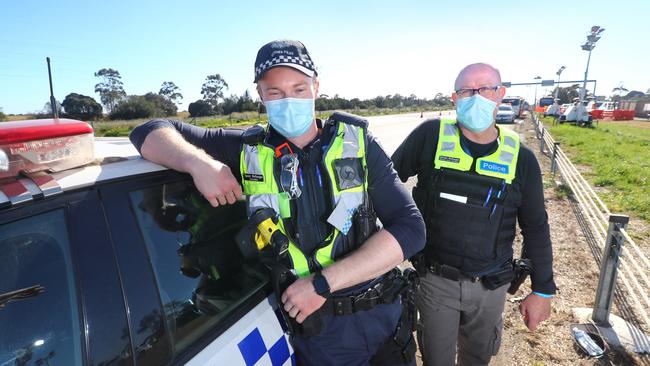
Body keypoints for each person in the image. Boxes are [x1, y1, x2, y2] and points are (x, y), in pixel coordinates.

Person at [129, 39, 425, 365]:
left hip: (386, 316)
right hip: (324, 335)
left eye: (299, 89)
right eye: (275, 93)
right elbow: (149, 131)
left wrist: (322, 283)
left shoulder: (357, 142)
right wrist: (200, 164)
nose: (288, 101)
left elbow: (410, 229)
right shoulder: (245, 150)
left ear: (316, 87)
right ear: (260, 94)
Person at [391, 63, 557, 366]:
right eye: (467, 90)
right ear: (455, 98)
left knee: (477, 359)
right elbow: (385, 184)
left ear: (501, 94)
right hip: (435, 282)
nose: (476, 96)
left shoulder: (521, 158)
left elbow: (535, 227)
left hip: (490, 288)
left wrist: (543, 290)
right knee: (436, 359)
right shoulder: (430, 135)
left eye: (485, 89)